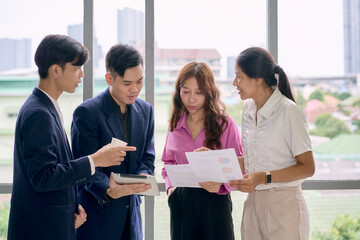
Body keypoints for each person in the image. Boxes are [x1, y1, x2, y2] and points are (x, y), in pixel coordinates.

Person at [7, 34, 135, 240]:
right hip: (39, 231)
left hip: (51, 225)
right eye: (76, 68)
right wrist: (95, 160)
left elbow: (53, 172)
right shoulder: (38, 113)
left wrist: (71, 210)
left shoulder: (45, 107)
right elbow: (44, 177)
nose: (82, 75)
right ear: (56, 70)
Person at [228, 47, 316, 240]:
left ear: (258, 78)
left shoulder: (289, 111)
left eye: (239, 77)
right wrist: (215, 161)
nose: (235, 83)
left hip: (284, 206)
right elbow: (254, 159)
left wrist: (264, 178)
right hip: (253, 204)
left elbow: (308, 167)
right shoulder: (248, 109)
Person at [71, 44, 155, 240]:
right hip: (98, 220)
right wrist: (108, 189)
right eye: (127, 83)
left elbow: (147, 157)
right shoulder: (87, 113)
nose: (135, 89)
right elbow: (83, 167)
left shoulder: (146, 110)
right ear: (109, 78)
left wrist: (143, 175)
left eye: (139, 82)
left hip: (132, 220)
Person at [161, 62, 243, 240]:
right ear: (178, 92)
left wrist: (222, 186)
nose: (191, 99)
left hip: (215, 203)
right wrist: (170, 189)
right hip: (181, 203)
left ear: (209, 92)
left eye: (199, 92)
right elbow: (167, 163)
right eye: (186, 91)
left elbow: (240, 168)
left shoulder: (226, 125)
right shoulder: (174, 125)